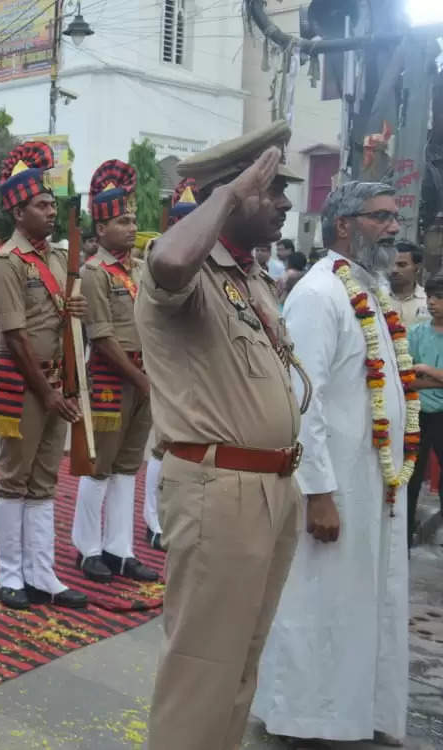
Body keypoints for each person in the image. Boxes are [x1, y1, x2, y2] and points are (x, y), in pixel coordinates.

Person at [138, 121, 304, 750]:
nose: (286, 202)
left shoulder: (253, 276)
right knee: (201, 669)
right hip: (218, 488)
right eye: (272, 189)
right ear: (224, 194)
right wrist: (231, 192)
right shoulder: (185, 269)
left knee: (240, 665)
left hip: (271, 487)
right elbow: (173, 260)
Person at [253, 181, 408, 747]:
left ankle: (354, 710)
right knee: (319, 601)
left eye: (395, 216)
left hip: (375, 481)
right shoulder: (319, 293)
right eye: (381, 217)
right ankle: (302, 716)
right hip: (335, 485)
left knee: (362, 602)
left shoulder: (373, 289)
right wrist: (318, 490)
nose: (394, 227)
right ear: (343, 225)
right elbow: (303, 397)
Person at [0, 141, 88, 611]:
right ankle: (11, 575)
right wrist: (47, 393)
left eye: (51, 204)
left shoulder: (59, 259)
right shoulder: (6, 262)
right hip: (25, 384)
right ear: (18, 210)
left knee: (45, 479)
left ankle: (41, 573)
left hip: (56, 383)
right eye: (41, 205)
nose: (51, 212)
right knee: (14, 478)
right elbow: (17, 337)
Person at [71, 159, 158, 585]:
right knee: (99, 467)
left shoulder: (141, 270)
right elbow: (101, 337)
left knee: (128, 468)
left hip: (144, 378)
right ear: (101, 230)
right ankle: (87, 549)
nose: (130, 227)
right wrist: (141, 380)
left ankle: (119, 549)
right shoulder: (94, 273)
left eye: (133, 220)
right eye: (122, 221)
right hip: (111, 378)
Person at [141, 179, 198, 552]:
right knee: (163, 446)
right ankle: (154, 521)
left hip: (197, 367)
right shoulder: (162, 265)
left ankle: (177, 518)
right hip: (168, 366)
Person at [407, 272, 443, 547]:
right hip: (417, 413)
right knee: (411, 477)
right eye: (430, 296)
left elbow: (418, 373)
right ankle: (404, 537)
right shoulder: (416, 332)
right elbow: (406, 376)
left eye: (439, 298)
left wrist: (428, 371)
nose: (432, 302)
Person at [390, 240, 428, 325]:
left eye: (402, 265)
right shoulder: (376, 298)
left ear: (417, 268)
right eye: (391, 264)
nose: (394, 270)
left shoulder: (428, 300)